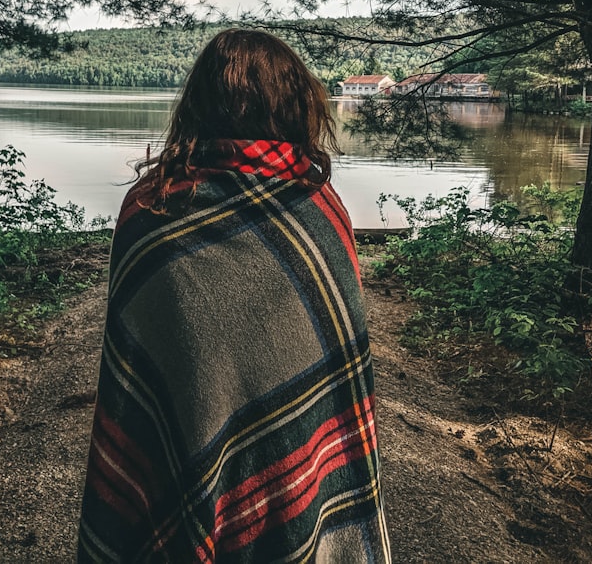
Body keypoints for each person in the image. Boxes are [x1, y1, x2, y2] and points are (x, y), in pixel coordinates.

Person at [77, 29, 391, 563]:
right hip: (290, 474)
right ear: (296, 105)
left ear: (199, 105)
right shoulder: (321, 206)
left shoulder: (152, 209)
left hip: (188, 461)